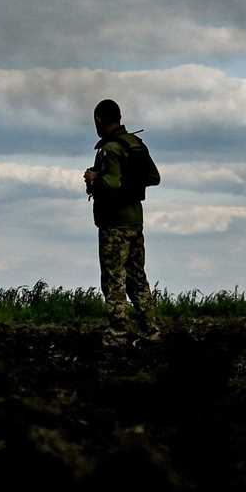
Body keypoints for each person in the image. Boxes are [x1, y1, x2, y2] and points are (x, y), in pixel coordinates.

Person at [85, 99, 162, 344]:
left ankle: (118, 333)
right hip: (135, 222)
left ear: (99, 120)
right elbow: (154, 177)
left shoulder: (111, 149)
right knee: (137, 278)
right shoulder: (135, 144)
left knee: (113, 279)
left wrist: (95, 177)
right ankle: (150, 330)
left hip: (114, 223)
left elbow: (112, 184)